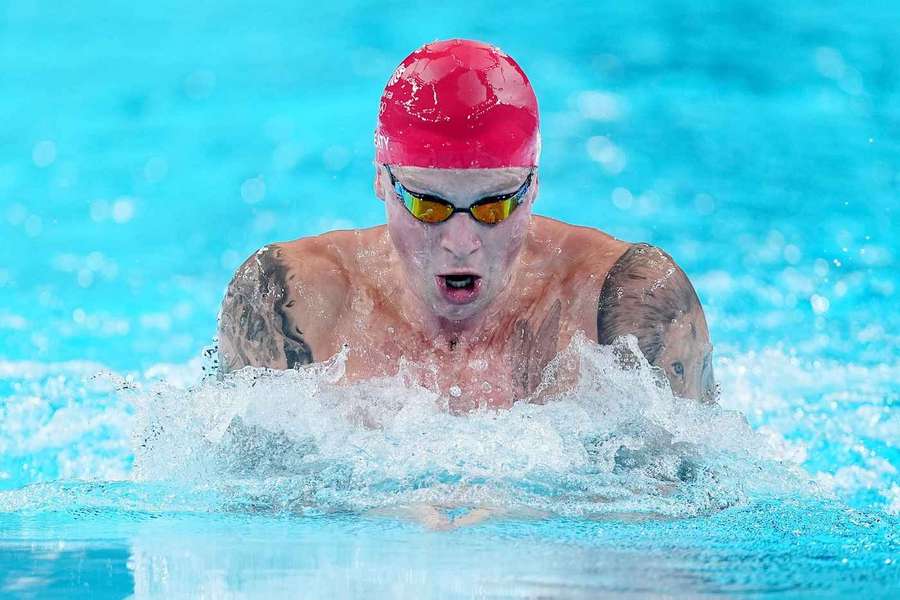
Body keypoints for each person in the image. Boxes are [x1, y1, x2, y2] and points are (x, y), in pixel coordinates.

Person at [217, 38, 716, 412]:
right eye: (429, 206)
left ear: (533, 186)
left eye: (494, 205)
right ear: (382, 183)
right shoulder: (290, 303)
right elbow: (231, 509)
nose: (460, 243)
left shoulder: (623, 302)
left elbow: (693, 511)